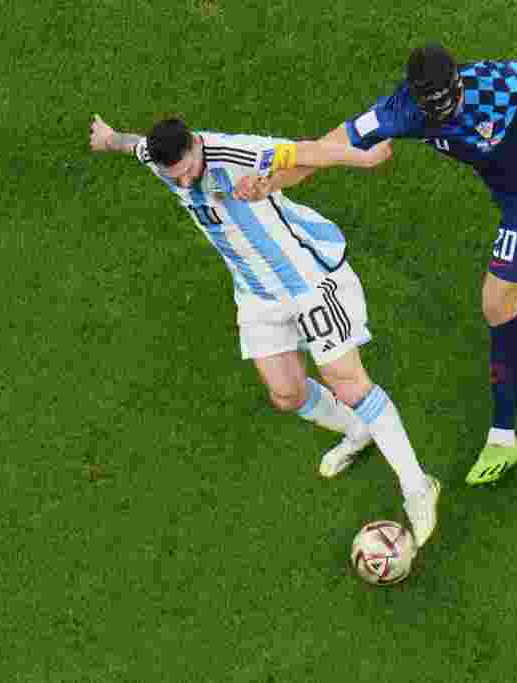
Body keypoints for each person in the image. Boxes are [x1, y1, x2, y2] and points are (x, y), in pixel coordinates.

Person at [236, 45, 517, 485]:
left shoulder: (495, 83)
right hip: (506, 182)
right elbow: (326, 147)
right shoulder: (399, 111)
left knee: (498, 303)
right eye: (435, 111)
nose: (447, 115)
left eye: (450, 103)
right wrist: (272, 182)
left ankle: (503, 435)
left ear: (458, 84)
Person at [87, 115, 440, 546]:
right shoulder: (162, 159)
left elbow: (307, 150)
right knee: (286, 394)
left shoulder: (234, 151)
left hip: (306, 280)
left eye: (185, 173)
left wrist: (362, 158)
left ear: (196, 147)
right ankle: (357, 431)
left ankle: (418, 488)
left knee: (348, 383)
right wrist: (108, 139)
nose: (181, 183)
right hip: (255, 294)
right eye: (171, 177)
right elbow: (134, 144)